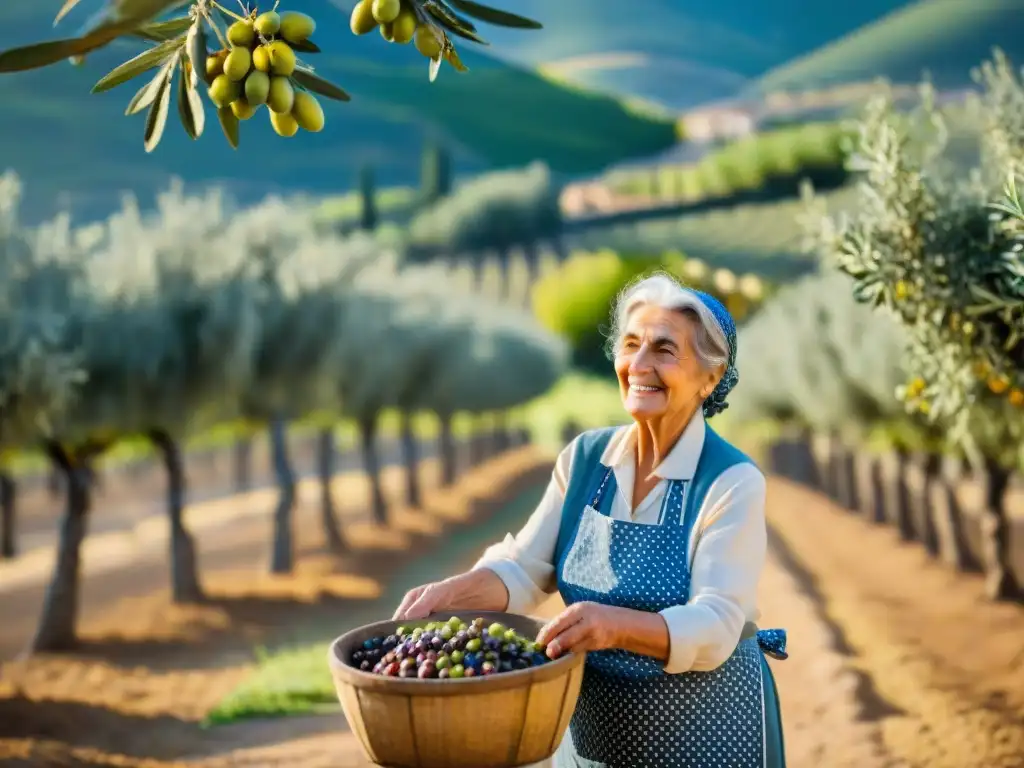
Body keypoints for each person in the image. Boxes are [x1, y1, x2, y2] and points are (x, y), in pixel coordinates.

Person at [393, 273, 787, 767]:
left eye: (664, 350)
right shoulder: (584, 459)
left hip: (702, 729)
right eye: (630, 345)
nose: (639, 364)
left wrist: (613, 626)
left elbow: (715, 624)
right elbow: (523, 569)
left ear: (710, 377)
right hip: (596, 730)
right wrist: (455, 593)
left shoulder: (730, 481)